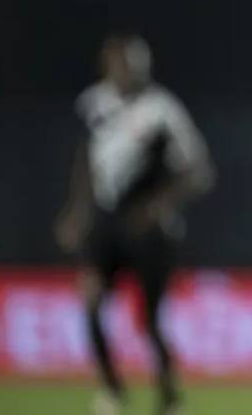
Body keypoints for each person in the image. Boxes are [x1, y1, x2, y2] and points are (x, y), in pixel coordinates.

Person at [54, 34, 214, 415]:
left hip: (149, 230)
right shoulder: (94, 104)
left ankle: (168, 395)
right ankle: (111, 388)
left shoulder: (163, 110)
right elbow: (86, 160)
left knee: (149, 319)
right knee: (90, 299)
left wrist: (159, 204)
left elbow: (199, 171)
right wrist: (77, 210)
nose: (125, 71)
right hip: (106, 223)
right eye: (117, 63)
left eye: (131, 63)